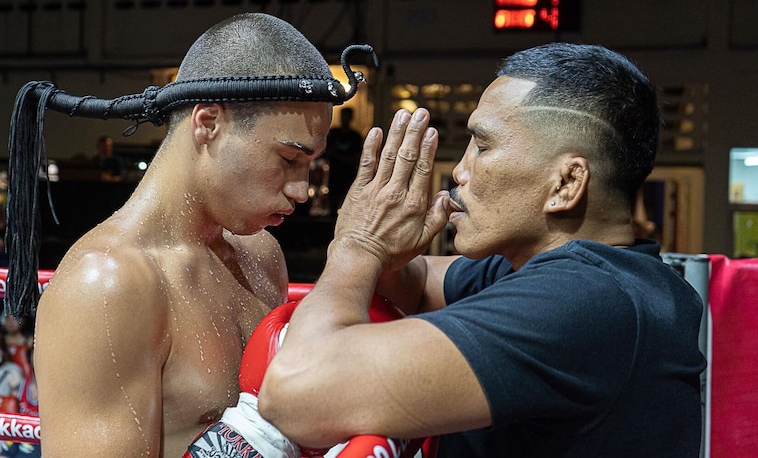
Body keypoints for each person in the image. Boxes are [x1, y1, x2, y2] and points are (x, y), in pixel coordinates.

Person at [258, 43, 707, 456]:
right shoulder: (571, 274)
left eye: (483, 146)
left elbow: (297, 393)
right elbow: (417, 282)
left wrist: (357, 244)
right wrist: (387, 249)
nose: (460, 171)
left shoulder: (584, 301)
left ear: (566, 183)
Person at [3, 13, 375, 457]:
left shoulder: (262, 253)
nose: (300, 189)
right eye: (288, 159)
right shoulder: (107, 284)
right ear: (208, 123)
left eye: (311, 164)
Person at [324, 107, 364, 214]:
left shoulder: (355, 137)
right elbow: (326, 152)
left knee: (348, 200)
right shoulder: (333, 133)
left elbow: (356, 158)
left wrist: (338, 156)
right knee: (333, 200)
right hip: (334, 173)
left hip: (348, 174)